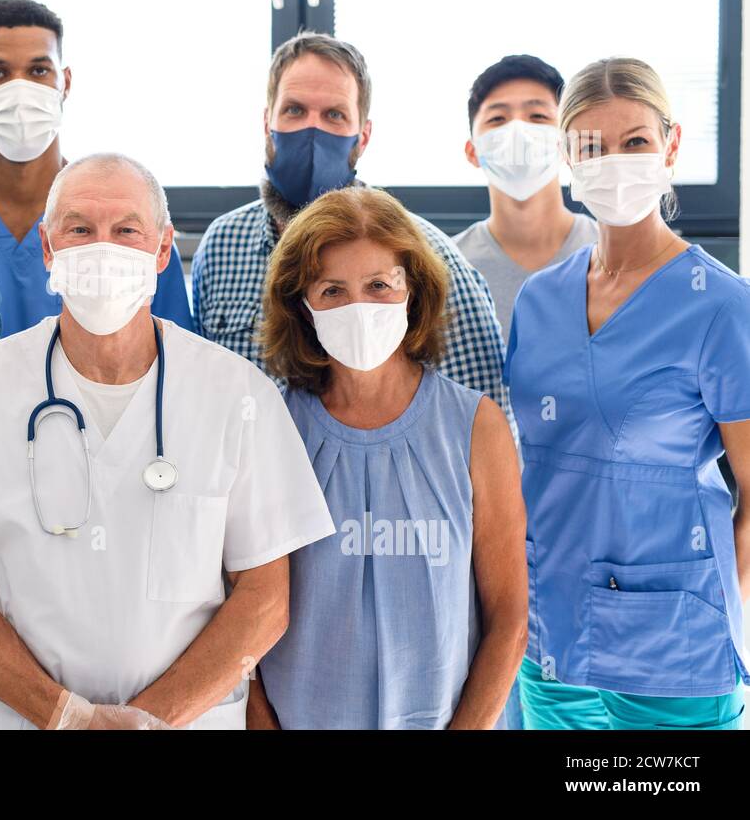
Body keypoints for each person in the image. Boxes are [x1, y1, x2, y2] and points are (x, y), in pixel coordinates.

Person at [0, 153, 335, 729]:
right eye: (79, 229)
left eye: (126, 230)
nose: (103, 248)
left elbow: (265, 599)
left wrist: (148, 720)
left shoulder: (237, 394)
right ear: (48, 248)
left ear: (161, 248)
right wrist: (66, 717)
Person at [507, 57, 749, 729]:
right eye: (592, 146)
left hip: (677, 655)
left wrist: (711, 609)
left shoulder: (721, 307)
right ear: (567, 159)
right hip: (553, 640)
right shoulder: (539, 300)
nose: (614, 161)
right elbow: (535, 460)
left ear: (671, 146)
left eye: (635, 141)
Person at [252, 186, 526, 729]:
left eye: (378, 285)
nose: (359, 308)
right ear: (302, 306)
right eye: (333, 291)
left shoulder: (477, 428)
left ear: (413, 291)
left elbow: (509, 619)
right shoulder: (269, 427)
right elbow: (243, 621)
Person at [192, 32, 511, 424]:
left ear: (364, 135)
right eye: (294, 110)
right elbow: (202, 393)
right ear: (266, 121)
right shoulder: (223, 245)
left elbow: (481, 416)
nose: (312, 132)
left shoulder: (427, 254)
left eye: (334, 115)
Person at [0, 0, 193, 335]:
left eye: (39, 71)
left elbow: (177, 359)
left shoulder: (130, 220)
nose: (19, 89)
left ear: (66, 82)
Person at [453, 55, 597, 344]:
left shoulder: (612, 252)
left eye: (538, 116)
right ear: (472, 152)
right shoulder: (449, 269)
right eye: (497, 119)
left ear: (568, 142)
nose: (518, 130)